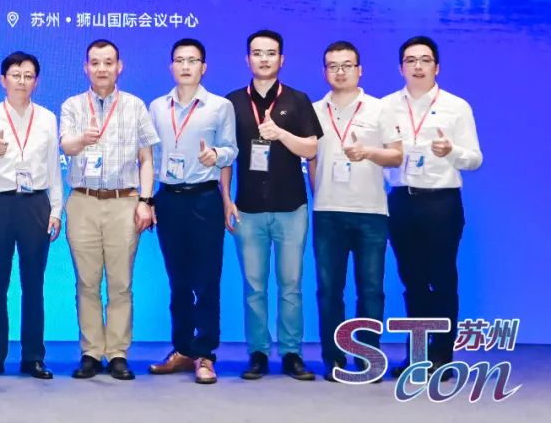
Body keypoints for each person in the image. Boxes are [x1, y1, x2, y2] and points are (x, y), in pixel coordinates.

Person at [59, 39, 159, 381]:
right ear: (86, 67)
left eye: (108, 62)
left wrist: (146, 201)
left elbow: (147, 159)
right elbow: (66, 145)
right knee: (86, 282)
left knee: (120, 283)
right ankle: (91, 352)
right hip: (83, 200)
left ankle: (117, 353)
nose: (102, 68)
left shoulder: (135, 106)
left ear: (120, 67)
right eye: (95, 62)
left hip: (124, 202)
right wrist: (82, 140)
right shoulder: (73, 105)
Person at [382, 36, 482, 377]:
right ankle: (417, 355)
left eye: (425, 60)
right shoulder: (386, 107)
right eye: (410, 60)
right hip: (402, 200)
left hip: (442, 202)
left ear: (436, 67)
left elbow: (475, 159)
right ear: (401, 68)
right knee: (412, 280)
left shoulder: (457, 106)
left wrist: (451, 151)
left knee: (442, 279)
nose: (418, 66)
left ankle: (443, 355)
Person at [226, 30, 322, 381]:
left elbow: (311, 149)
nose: (263, 59)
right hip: (248, 208)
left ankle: (292, 353)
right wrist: (226, 200)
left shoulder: (297, 100)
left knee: (291, 284)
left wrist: (281, 133)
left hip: (291, 208)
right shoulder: (233, 103)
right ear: (247, 59)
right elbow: (226, 157)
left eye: (270, 53)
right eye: (257, 53)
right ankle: (258, 353)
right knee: (254, 286)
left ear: (282, 59)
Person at [307, 42, 402, 381]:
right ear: (324, 71)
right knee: (329, 290)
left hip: (371, 212)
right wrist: (320, 194)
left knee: (371, 289)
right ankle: (333, 360)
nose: (340, 71)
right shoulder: (314, 110)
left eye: (347, 65)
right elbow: (312, 159)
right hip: (328, 212)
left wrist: (368, 152)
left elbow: (396, 155)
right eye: (333, 65)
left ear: (360, 70)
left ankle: (367, 357)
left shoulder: (380, 108)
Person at [147, 39, 237, 384]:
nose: (185, 66)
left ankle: (205, 355)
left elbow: (231, 149)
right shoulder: (157, 106)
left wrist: (216, 155)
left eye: (193, 60)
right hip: (169, 199)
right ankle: (183, 350)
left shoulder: (219, 106)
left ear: (204, 67)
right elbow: (151, 157)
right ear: (171, 66)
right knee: (179, 281)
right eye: (179, 60)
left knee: (207, 280)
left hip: (204, 199)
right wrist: (148, 199)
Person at [0, 51, 62, 381]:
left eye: (28, 76)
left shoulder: (47, 118)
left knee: (33, 284)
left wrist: (56, 209)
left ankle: (33, 357)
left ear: (36, 82)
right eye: (15, 75)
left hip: (35, 204)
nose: (21, 81)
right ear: (2, 80)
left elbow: (53, 166)